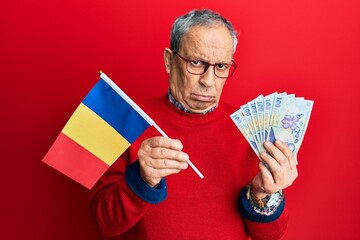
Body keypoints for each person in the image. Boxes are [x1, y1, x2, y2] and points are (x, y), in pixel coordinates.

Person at [90, 9, 297, 240]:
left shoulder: (252, 128)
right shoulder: (124, 118)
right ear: (169, 60)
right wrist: (141, 179)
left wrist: (263, 194)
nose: (208, 81)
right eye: (196, 62)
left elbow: (270, 236)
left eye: (220, 67)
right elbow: (103, 223)